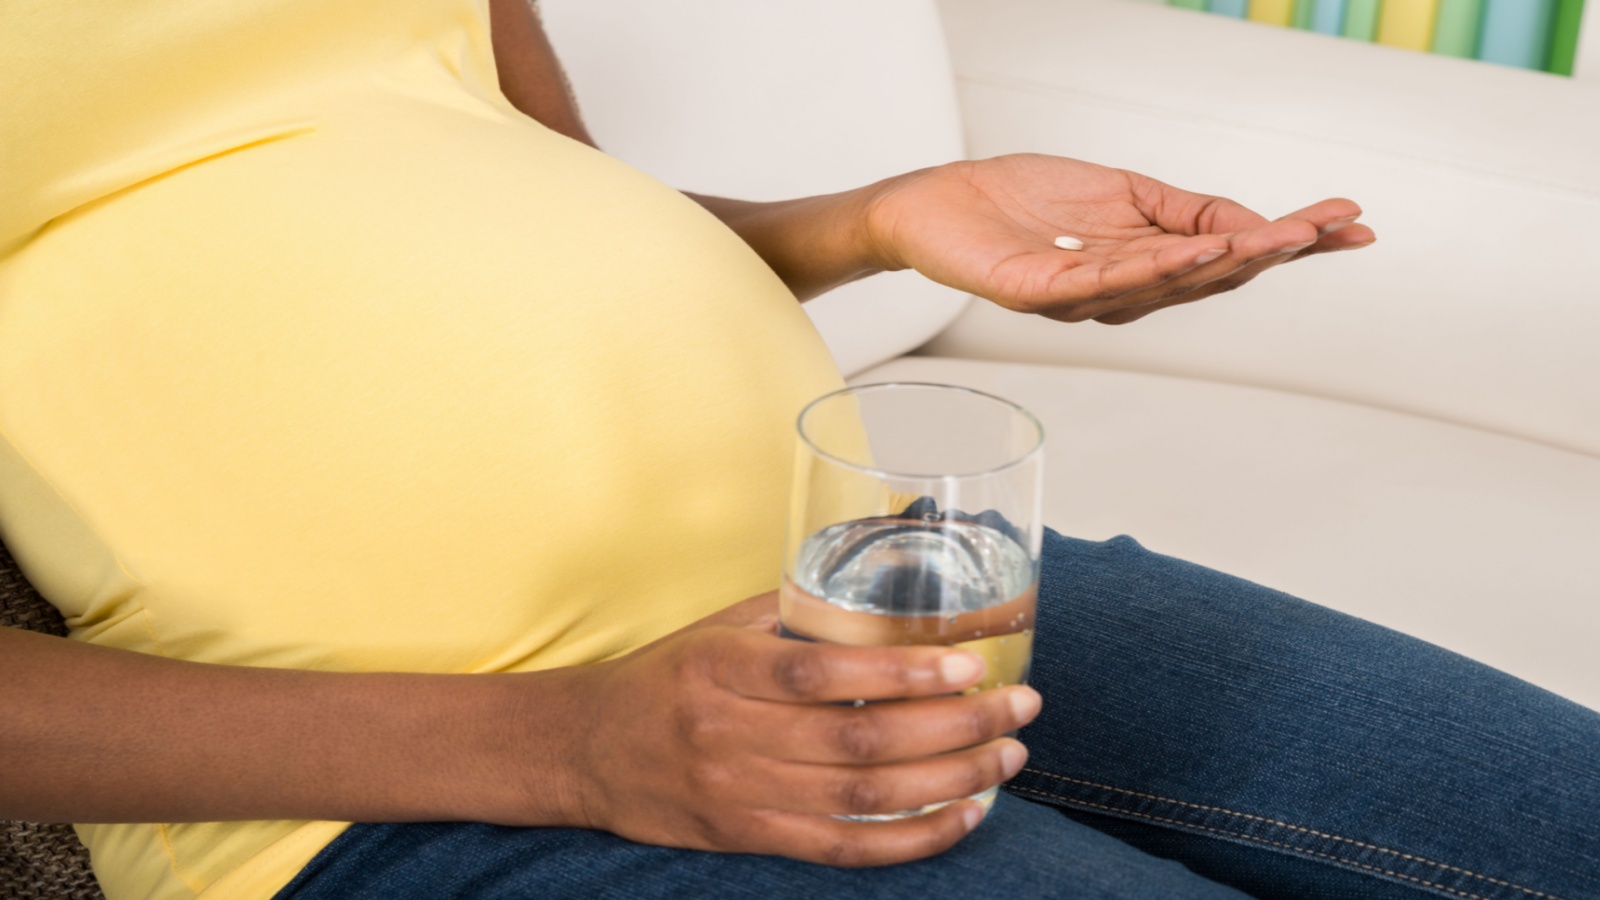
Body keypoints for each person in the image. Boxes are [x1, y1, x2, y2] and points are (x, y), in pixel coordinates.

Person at [1, 1, 1595, 898]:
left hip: (871, 593)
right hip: (411, 784)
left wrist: (877, 222)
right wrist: (572, 749)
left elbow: (548, 199)